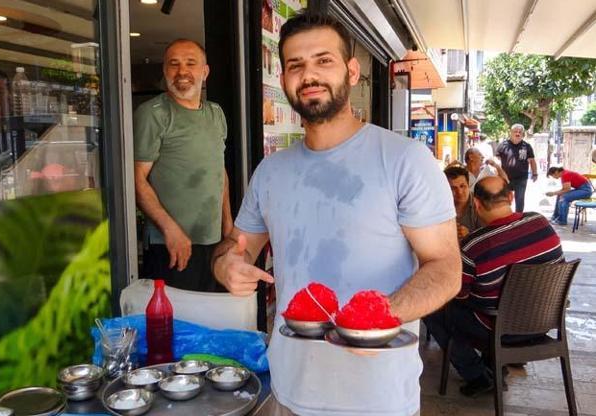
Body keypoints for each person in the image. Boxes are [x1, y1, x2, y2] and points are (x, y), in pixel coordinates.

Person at [212, 13, 461, 415]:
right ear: (284, 78)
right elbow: (236, 246)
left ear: (351, 70)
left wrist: (378, 316)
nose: (309, 75)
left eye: (323, 60)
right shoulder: (270, 171)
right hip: (289, 391)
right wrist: (226, 264)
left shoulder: (405, 160)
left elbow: (446, 268)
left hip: (377, 400)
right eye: (296, 65)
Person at [424, 176, 564, 397]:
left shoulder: (474, 245)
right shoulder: (541, 224)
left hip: (500, 329)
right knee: (490, 300)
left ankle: (477, 376)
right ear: (510, 197)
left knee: (434, 309)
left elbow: (459, 295)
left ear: (477, 203)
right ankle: (494, 366)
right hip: (545, 321)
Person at [134, 39, 232, 292]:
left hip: (212, 242)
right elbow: (136, 179)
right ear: (165, 71)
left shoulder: (216, 114)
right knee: (175, 324)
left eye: (191, 63)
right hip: (170, 245)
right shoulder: (153, 113)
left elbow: (218, 171)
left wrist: (228, 227)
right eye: (173, 64)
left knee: (210, 320)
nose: (182, 72)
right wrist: (171, 230)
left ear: (205, 72)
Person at [496, 124, 537, 212]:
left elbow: (532, 161)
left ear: (522, 134)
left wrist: (535, 173)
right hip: (505, 178)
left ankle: (518, 219)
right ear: (511, 133)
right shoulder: (503, 145)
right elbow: (497, 161)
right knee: (504, 199)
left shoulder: (527, 146)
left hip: (521, 178)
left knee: (520, 200)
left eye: (520, 132)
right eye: (515, 132)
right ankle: (505, 216)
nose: (517, 134)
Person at [444, 165, 482, 240]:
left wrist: (469, 236)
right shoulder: (440, 205)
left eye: (462, 186)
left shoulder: (481, 205)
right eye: (453, 188)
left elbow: (487, 236)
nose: (459, 192)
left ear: (468, 185)